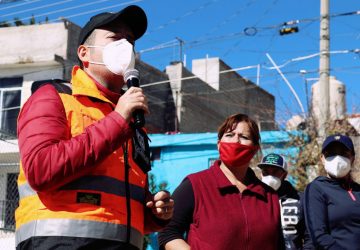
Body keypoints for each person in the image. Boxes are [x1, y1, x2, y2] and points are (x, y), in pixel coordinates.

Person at [15, 5, 173, 250]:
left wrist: (153, 214)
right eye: (115, 38)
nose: (126, 47)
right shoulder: (54, 97)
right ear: (84, 53)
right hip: (58, 243)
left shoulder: (131, 120)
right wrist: (118, 120)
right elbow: (41, 169)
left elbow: (114, 201)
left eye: (130, 41)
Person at [158, 113, 284, 250]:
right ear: (219, 145)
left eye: (244, 137)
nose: (236, 141)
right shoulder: (195, 185)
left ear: (255, 149)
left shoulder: (270, 197)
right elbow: (168, 233)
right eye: (229, 135)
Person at [304, 134, 360, 249]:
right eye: (331, 154)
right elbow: (319, 235)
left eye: (344, 154)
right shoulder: (317, 188)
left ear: (352, 158)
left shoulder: (357, 190)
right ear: (322, 159)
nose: (337, 159)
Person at [258, 153, 314, 250]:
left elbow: (309, 234)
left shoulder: (300, 199)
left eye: (275, 172)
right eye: (266, 172)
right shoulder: (253, 198)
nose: (270, 176)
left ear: (284, 174)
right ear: (261, 174)